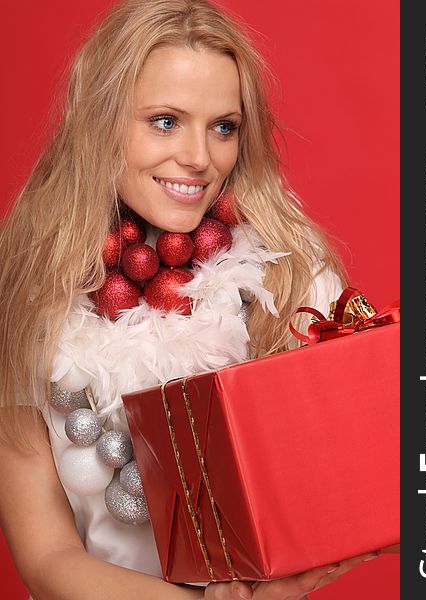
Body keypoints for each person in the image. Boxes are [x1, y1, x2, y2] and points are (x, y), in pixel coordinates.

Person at [0, 1, 386, 598]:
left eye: (223, 126)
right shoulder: (27, 297)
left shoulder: (287, 282)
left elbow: (340, 493)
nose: (200, 158)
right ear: (99, 121)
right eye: (164, 121)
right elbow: (46, 556)